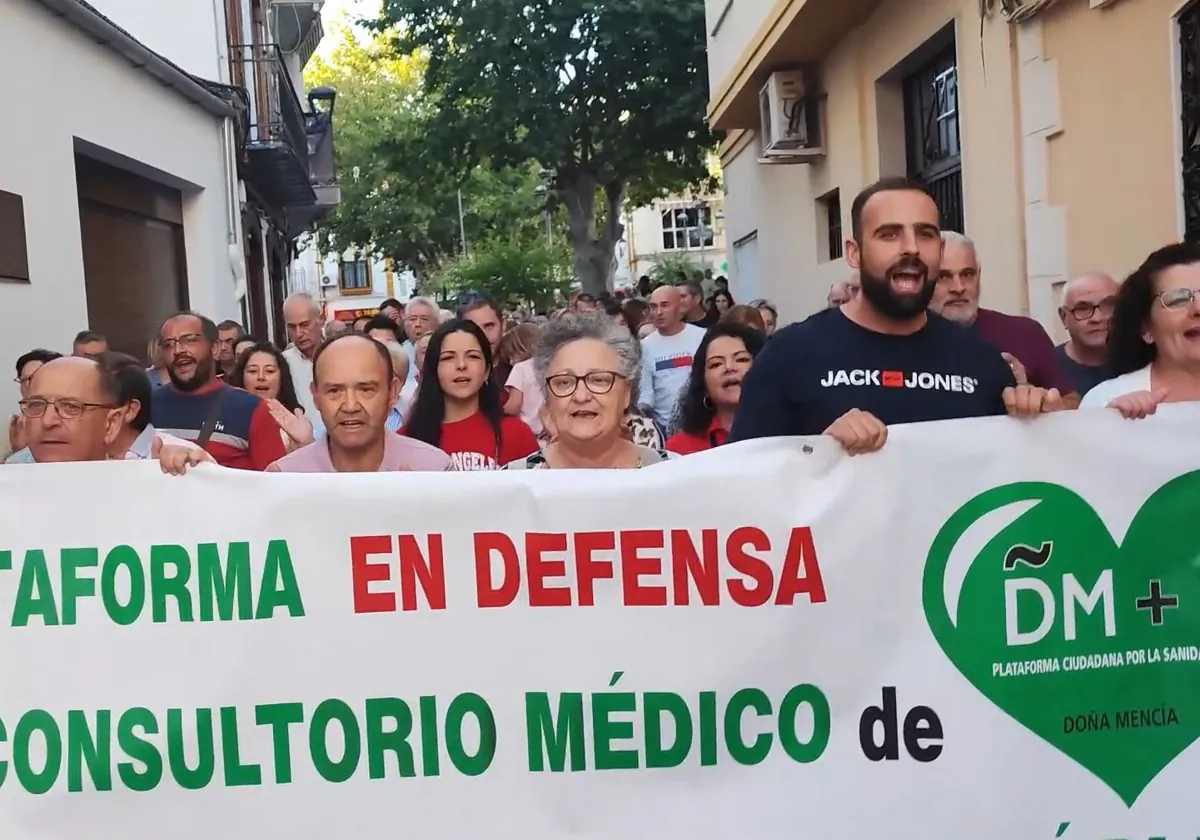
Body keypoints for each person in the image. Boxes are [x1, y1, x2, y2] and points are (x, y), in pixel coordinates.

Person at [731, 177, 1064, 453]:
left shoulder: (981, 362)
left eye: (925, 234)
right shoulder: (788, 357)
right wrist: (820, 453)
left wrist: (1038, 420)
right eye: (889, 234)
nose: (912, 248)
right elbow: (746, 485)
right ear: (854, 253)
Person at [160, 334, 453, 474]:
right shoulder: (284, 477)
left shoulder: (435, 470)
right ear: (315, 396)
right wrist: (200, 473)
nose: (350, 405)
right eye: (335, 391)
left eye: (366, 389)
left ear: (392, 393)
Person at [506, 313, 672, 469]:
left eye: (598, 380)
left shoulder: (673, 473)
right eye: (564, 382)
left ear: (626, 392)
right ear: (547, 396)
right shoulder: (513, 483)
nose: (581, 396)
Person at [930, 231, 1073, 398]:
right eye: (943, 276)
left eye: (967, 274)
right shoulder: (903, 339)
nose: (959, 287)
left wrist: (1039, 401)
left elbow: (1071, 402)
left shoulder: (1025, 333)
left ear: (979, 274)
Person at [152, 311, 286, 470]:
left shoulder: (252, 410)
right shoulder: (146, 406)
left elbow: (274, 485)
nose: (178, 350)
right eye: (168, 344)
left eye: (189, 340)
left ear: (214, 349)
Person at [1081, 243, 1200, 416]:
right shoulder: (1105, 399)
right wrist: (1109, 424)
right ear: (1146, 328)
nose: (1198, 308)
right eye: (1177, 299)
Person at [403, 320, 538, 470]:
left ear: (487, 370)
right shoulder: (406, 439)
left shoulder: (517, 434)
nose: (461, 365)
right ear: (434, 370)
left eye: (473, 356)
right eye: (448, 358)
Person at [668, 324, 764, 455]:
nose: (729, 367)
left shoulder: (789, 434)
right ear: (703, 383)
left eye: (741, 359)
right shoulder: (679, 448)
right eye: (716, 364)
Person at [19, 356, 120, 462]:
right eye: (36, 405)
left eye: (70, 407)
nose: (47, 421)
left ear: (111, 424)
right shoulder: (9, 474)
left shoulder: (133, 476)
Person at [638, 285, 706, 432]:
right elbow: (646, 390)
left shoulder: (702, 337)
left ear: (679, 307)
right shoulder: (645, 346)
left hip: (700, 423)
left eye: (665, 305)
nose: (659, 312)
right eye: (654, 307)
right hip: (663, 428)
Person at [227, 342, 313, 451]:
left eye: (269, 371)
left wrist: (305, 444)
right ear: (241, 376)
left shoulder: (298, 425)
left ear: (281, 378)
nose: (261, 377)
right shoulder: (227, 418)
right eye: (253, 371)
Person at [1056, 272, 1119, 396]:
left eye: (1108, 305)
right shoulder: (1047, 369)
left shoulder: (1144, 363)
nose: (1097, 318)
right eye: (1083, 309)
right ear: (1064, 317)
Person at [8, 349, 61, 458]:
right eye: (23, 380)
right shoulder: (14, 425)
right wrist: (17, 452)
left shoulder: (67, 417)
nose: (28, 385)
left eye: (34, 378)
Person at [281, 294, 324, 427]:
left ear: (321, 319)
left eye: (304, 324)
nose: (299, 333)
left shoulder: (341, 356)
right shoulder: (282, 363)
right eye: (292, 327)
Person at [500, 323, 545, 437]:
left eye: (511, 355)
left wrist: (497, 412)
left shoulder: (520, 368)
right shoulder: (551, 365)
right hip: (549, 430)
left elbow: (514, 405)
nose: (511, 361)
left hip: (528, 431)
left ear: (521, 348)